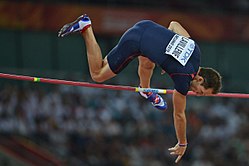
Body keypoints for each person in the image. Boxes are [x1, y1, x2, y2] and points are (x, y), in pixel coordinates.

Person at [58, 14, 222, 163]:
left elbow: (173, 25)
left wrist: (166, 53)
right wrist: (183, 143)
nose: (197, 94)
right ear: (200, 79)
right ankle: (86, 28)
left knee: (147, 62)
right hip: (135, 42)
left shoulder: (196, 51)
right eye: (200, 92)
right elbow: (179, 115)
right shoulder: (183, 80)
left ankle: (145, 89)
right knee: (98, 74)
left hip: (146, 26)